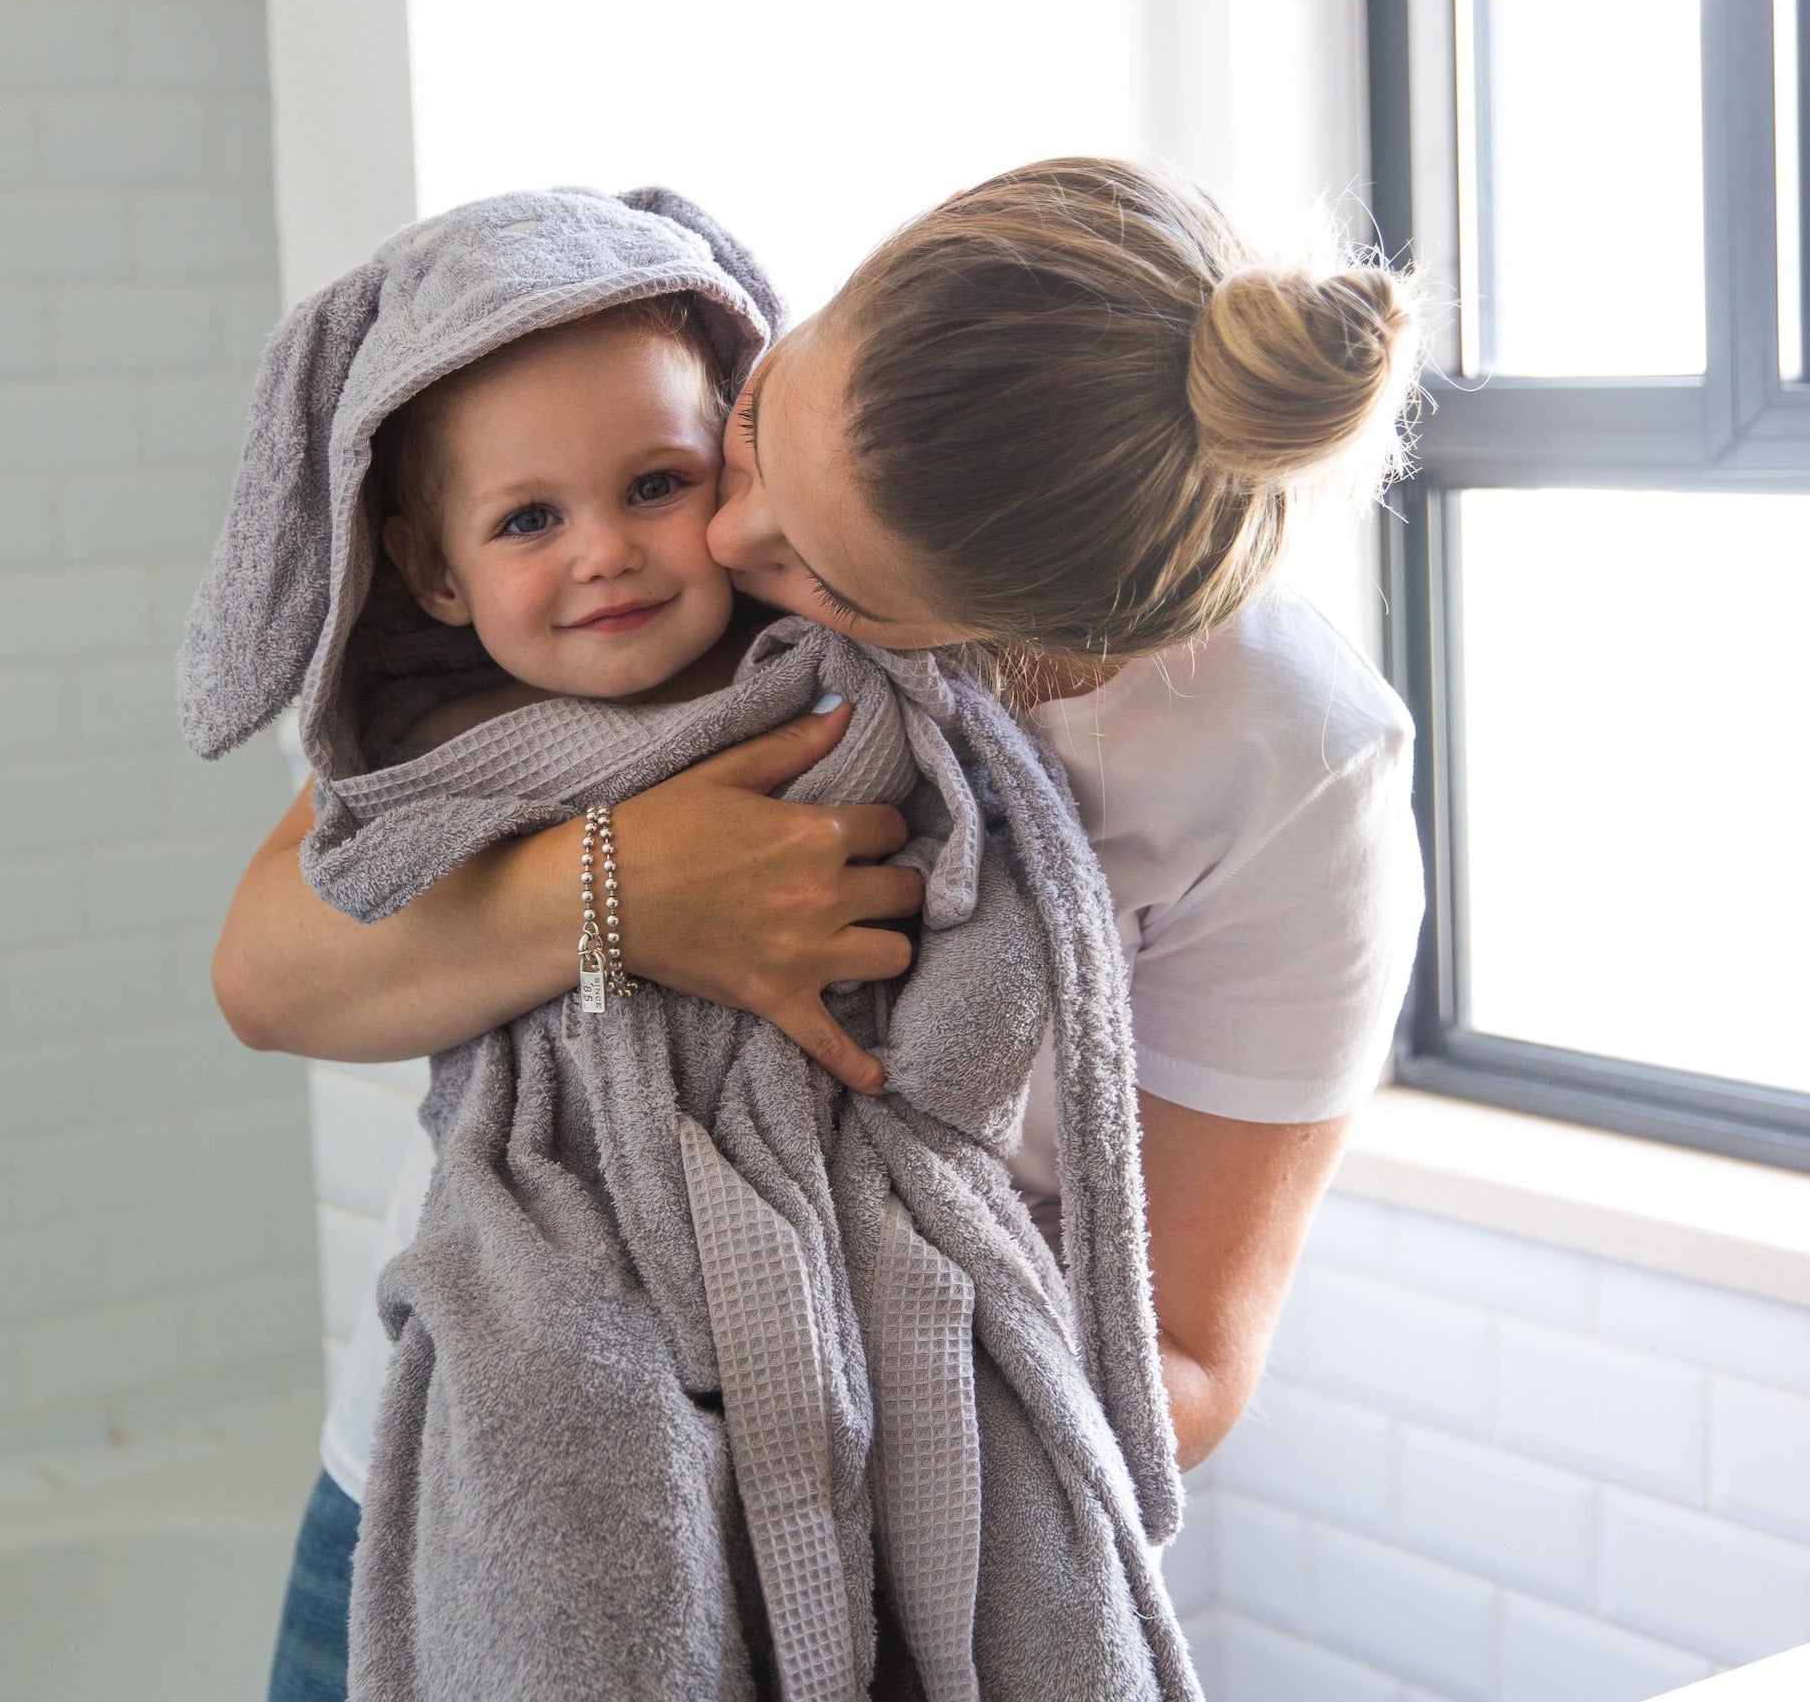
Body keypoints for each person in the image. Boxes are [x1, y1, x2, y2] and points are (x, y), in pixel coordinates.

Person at [227, 158, 1425, 1701]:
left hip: (897, 1549)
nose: (716, 544)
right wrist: (624, 887)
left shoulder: (1280, 759)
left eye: (810, 568)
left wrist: (797, 1438)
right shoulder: (634, 516)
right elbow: (266, 964)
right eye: (752, 417)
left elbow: (1181, 1354)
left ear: (998, 641)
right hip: (469, 1479)